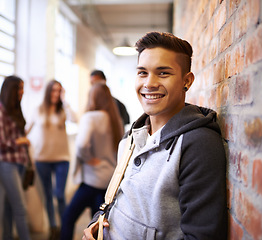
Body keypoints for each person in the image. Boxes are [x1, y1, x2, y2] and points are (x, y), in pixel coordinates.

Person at [83, 31, 228, 239]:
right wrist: (96, 222)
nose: (149, 83)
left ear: (187, 81)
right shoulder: (130, 139)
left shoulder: (198, 144)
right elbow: (115, 198)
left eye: (163, 73)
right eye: (142, 72)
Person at [60, 83, 124, 240]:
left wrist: (88, 158)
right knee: (97, 226)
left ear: (93, 98)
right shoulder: (116, 120)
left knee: (68, 218)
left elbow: (81, 145)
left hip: (92, 179)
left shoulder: (91, 117)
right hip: (109, 181)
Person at [26, 80, 77, 240]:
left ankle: (64, 227)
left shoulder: (63, 110)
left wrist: (65, 101)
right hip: (42, 159)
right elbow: (26, 130)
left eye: (59, 91)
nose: (56, 94)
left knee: (59, 195)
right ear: (48, 92)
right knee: (48, 195)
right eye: (53, 91)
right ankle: (53, 227)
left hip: (62, 158)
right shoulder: (38, 110)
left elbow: (75, 119)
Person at [0, 75, 31, 240]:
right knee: (21, 208)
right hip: (6, 164)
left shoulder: (15, 109)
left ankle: (7, 237)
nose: (22, 92)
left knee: (9, 206)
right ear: (10, 90)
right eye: (19, 88)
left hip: (20, 162)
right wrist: (19, 141)